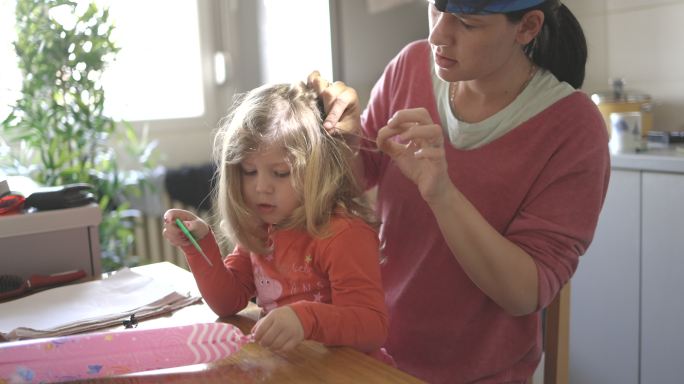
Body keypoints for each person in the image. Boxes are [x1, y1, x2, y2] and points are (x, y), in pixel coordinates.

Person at [308, 0, 611, 382]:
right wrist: (346, 136)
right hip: (374, 353)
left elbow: (524, 292)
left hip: (477, 372)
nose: (437, 35)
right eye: (435, 8)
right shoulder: (410, 65)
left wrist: (442, 194)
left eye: (467, 24)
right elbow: (356, 179)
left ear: (527, 27)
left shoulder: (572, 126)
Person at [162, 82, 390, 360]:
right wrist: (200, 244)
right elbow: (227, 302)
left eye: (280, 173)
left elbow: (371, 326)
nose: (261, 187)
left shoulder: (344, 234)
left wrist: (306, 319)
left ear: (318, 169)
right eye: (249, 171)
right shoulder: (263, 230)